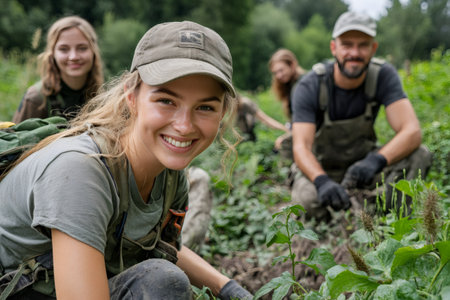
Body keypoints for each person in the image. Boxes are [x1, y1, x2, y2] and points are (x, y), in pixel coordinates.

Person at [0, 21, 252, 300]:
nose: (184, 126)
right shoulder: (81, 170)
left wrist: (229, 289)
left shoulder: (169, 172)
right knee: (161, 283)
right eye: (166, 100)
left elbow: (161, 247)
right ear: (132, 97)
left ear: (223, 113)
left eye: (205, 107)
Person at [290, 11, 432, 220]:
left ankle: (383, 216)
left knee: (420, 154)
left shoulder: (383, 75)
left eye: (363, 45)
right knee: (307, 202)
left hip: (363, 166)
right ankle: (355, 211)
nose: (354, 53)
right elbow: (300, 146)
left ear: (373, 48)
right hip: (322, 167)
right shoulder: (311, 84)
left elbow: (411, 131)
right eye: (347, 44)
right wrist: (322, 181)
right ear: (334, 48)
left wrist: (375, 161)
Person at [12, 16, 104, 123]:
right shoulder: (36, 98)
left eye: (82, 48)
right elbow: (16, 137)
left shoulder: (102, 98)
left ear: (93, 51)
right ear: (52, 53)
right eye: (64, 49)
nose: (73, 57)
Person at [268, 48, 305, 160]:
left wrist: (286, 137)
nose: (278, 76)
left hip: (308, 129)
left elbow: (304, 118)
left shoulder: (303, 85)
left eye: (281, 70)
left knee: (284, 145)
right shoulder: (288, 86)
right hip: (297, 129)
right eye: (275, 73)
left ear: (292, 65)